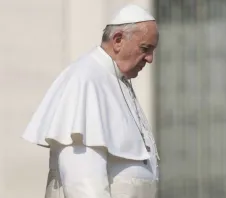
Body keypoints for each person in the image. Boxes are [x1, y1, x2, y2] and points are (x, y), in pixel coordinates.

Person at [22, 4, 160, 198]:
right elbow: (83, 181)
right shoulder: (85, 80)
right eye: (145, 48)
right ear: (118, 40)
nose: (150, 59)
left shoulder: (118, 81)